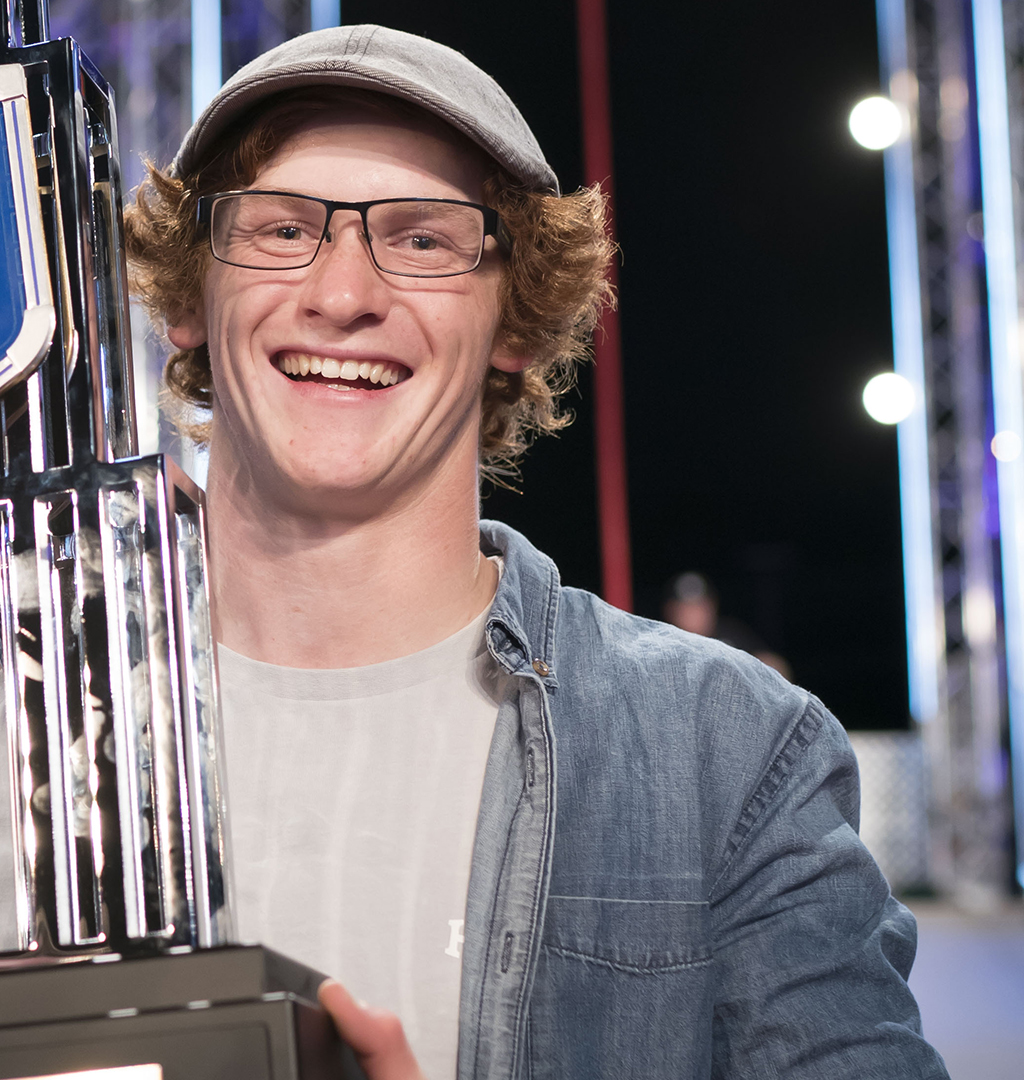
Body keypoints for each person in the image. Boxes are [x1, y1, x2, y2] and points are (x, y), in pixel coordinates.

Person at [120, 22, 945, 1080]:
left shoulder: (727, 751)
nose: (342, 294)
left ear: (515, 321)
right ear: (190, 297)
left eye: (424, 241)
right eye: (282, 230)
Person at [664, 569, 793, 679]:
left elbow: (773, 664)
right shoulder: (664, 644)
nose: (693, 614)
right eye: (686, 608)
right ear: (671, 611)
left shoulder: (730, 634)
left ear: (712, 606)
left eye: (699, 606)